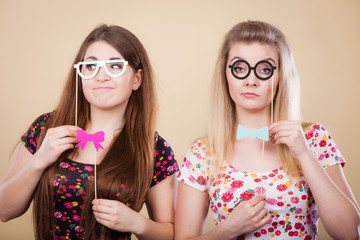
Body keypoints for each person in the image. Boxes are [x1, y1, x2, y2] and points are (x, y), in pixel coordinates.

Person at [175, 20, 359, 240]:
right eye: (240, 68)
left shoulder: (314, 138)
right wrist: (228, 230)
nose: (251, 81)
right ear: (225, 74)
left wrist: (303, 154)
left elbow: (350, 234)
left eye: (264, 69)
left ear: (281, 75)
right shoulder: (202, 153)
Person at [0, 24, 178, 240]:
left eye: (114, 66)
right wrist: (39, 160)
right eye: (90, 66)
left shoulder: (154, 148)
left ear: (136, 79)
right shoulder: (46, 127)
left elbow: (171, 233)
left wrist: (137, 223)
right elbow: (4, 211)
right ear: (80, 75)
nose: (101, 76)